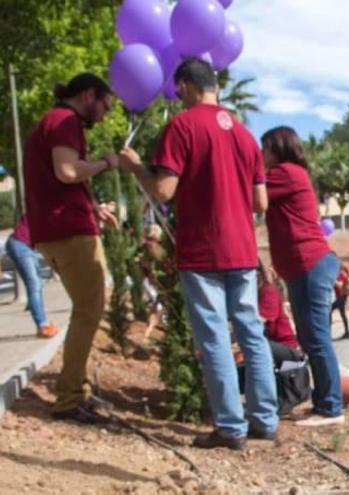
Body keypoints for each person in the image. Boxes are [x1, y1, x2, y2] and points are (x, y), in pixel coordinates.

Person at [119, 58, 278, 449]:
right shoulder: (244, 135)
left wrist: (138, 167)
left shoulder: (182, 126)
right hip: (241, 249)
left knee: (214, 339)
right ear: (216, 86)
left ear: (186, 86)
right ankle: (266, 421)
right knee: (252, 334)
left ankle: (230, 428)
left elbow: (163, 191)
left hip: (202, 250)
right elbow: (261, 202)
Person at [24, 73, 119, 423]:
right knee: (88, 311)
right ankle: (69, 399)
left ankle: (75, 390)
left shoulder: (55, 122)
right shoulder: (64, 120)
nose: (105, 115)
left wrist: (93, 206)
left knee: (86, 309)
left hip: (58, 229)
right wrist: (107, 163)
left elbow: (60, 179)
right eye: (105, 106)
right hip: (69, 231)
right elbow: (66, 171)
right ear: (89, 95)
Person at [261, 125, 345, 427]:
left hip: (310, 265)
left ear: (278, 148)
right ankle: (326, 402)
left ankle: (332, 408)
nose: (262, 155)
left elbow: (249, 189)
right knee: (312, 339)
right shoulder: (288, 174)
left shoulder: (285, 172)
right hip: (303, 269)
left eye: (265, 148)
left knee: (317, 339)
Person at [6, 215, 60, 338]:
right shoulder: (43, 208)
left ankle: (41, 324)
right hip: (19, 244)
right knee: (34, 283)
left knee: (37, 283)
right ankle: (42, 325)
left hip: (26, 246)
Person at [258, 263, 304, 364]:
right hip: (271, 346)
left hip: (287, 348)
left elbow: (260, 322)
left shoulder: (268, 291)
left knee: (253, 344)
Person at [331, 265, 349, 340]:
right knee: (341, 313)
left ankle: (347, 332)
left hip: (342, 296)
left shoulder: (341, 275)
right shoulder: (336, 275)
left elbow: (340, 285)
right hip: (339, 296)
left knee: (332, 311)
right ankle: (347, 332)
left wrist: (334, 281)